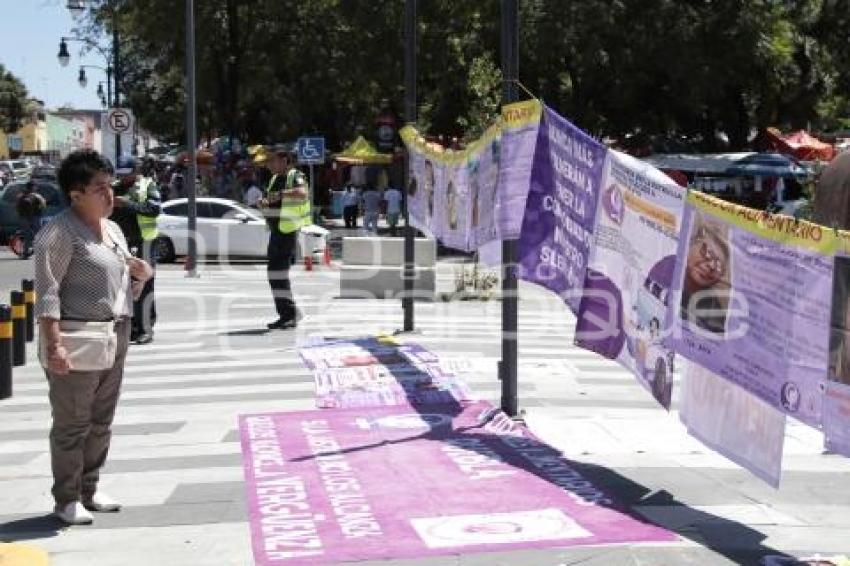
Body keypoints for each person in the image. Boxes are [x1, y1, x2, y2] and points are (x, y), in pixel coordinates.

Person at [34, 149, 153, 525]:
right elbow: (48, 291)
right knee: (72, 422)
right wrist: (53, 344)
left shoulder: (112, 228)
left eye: (110, 186)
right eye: (99, 188)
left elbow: (118, 283)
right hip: (75, 335)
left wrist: (139, 276)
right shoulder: (58, 232)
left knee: (102, 419)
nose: (109, 195)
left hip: (113, 332)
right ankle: (66, 498)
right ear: (75, 194)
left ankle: (89, 487)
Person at [110, 158, 162, 345]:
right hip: (120, 242)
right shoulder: (113, 187)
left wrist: (127, 204)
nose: (123, 178)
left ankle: (146, 328)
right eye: (120, 174)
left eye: (127, 174)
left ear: (136, 171)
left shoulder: (148, 185)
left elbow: (155, 209)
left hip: (145, 241)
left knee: (144, 284)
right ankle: (130, 327)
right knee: (124, 286)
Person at [260, 146, 310, 329]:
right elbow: (271, 202)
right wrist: (264, 204)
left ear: (283, 161)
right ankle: (289, 313)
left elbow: (303, 194)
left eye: (272, 160)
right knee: (275, 275)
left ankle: (290, 314)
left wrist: (280, 194)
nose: (268, 165)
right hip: (276, 232)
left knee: (278, 274)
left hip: (287, 232)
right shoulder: (274, 178)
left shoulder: (294, 176)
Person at [679, 216, 730, 335]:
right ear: (691, 243)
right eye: (708, 253)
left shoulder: (714, 312)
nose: (711, 266)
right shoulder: (666, 269)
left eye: (719, 265)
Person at [15, 180, 47, 255]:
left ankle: (26, 252)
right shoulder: (37, 195)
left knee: (27, 235)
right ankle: (40, 252)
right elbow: (44, 206)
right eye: (35, 186)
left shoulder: (21, 195)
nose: (36, 187)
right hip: (35, 217)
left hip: (24, 217)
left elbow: (17, 207)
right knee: (39, 234)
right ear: (33, 187)